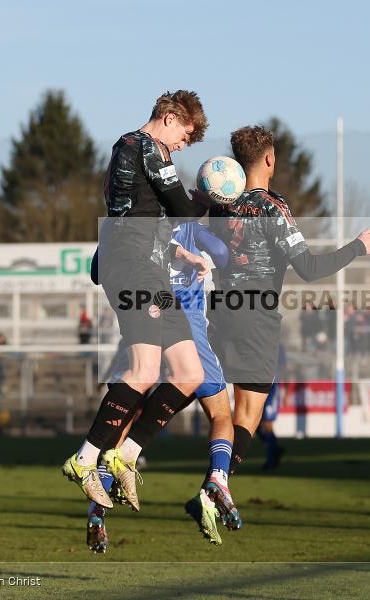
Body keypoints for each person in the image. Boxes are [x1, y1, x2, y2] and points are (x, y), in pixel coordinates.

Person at [208, 125, 370, 491]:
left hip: (220, 311)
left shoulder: (220, 204)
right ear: (270, 159)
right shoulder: (273, 208)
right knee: (247, 413)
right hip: (256, 317)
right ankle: (216, 484)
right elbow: (309, 269)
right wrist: (357, 247)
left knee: (202, 396)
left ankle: (130, 445)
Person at [61, 90, 210, 510]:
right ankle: (84, 458)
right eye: (186, 133)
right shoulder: (140, 145)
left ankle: (124, 455)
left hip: (151, 267)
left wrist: (182, 253)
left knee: (188, 373)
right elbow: (180, 209)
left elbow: (152, 216)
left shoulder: (150, 154)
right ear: (167, 117)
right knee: (144, 371)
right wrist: (214, 196)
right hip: (131, 266)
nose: (184, 143)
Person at [86, 219, 237, 551]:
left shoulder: (133, 228)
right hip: (187, 330)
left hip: (146, 322)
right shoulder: (191, 227)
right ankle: (218, 481)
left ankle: (97, 510)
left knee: (125, 416)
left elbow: (96, 270)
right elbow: (223, 255)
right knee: (221, 415)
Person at [258, 344, 287, 470]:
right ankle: (275, 449)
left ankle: (270, 461)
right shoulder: (256, 341)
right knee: (257, 425)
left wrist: (285, 389)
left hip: (272, 388)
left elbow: (283, 368)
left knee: (267, 424)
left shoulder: (278, 346)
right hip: (257, 386)